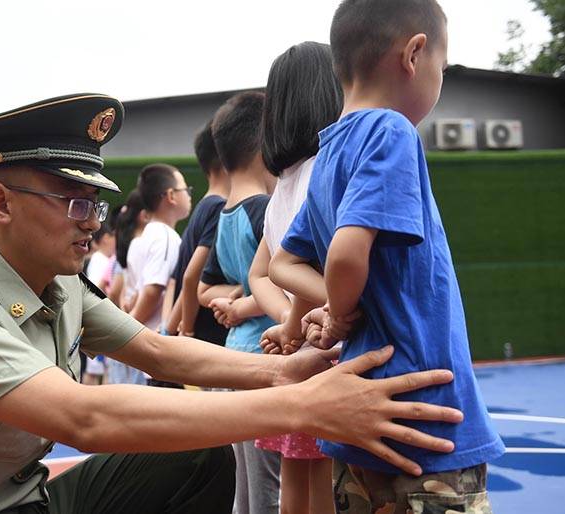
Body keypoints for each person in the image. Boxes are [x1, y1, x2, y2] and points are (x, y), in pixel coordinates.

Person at [0, 93, 464, 514]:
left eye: (94, 203)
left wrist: (279, 370)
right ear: (0, 202)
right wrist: (302, 406)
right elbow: (83, 420)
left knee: (202, 457)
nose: (91, 222)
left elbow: (158, 350)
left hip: (27, 503)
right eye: (73, 202)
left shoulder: (58, 286)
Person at [270, 2, 504, 512]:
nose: (439, 79)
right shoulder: (390, 131)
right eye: (442, 66)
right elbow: (348, 255)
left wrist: (339, 310)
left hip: (358, 414)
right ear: (415, 53)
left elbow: (281, 265)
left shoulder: (330, 151)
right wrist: (337, 309)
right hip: (426, 420)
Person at [248, 41, 343, 514]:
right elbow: (319, 264)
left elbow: (263, 274)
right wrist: (303, 320)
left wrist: (289, 321)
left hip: (299, 348)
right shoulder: (325, 173)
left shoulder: (281, 189)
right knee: (326, 477)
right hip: (327, 350)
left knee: (295, 478)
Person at [197, 91, 281, 514]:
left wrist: (231, 300)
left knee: (243, 489)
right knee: (269, 488)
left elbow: (205, 290)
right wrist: (245, 303)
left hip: (233, 359)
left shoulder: (226, 212)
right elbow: (276, 290)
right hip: (263, 359)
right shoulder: (264, 209)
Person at [165, 120, 229, 345]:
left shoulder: (203, 206)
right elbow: (192, 277)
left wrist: (169, 329)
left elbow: (181, 280)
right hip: (205, 338)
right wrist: (188, 331)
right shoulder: (219, 208)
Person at [127, 163, 192, 387]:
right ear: (171, 196)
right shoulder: (163, 236)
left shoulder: (144, 236)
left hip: (150, 353)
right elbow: (154, 289)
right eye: (186, 190)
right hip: (160, 349)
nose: (189, 196)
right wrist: (127, 329)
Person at [106, 189, 149, 385]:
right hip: (140, 328)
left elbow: (117, 290)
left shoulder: (125, 247)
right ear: (144, 215)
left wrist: (124, 308)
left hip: (127, 321)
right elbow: (149, 288)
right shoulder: (145, 244)